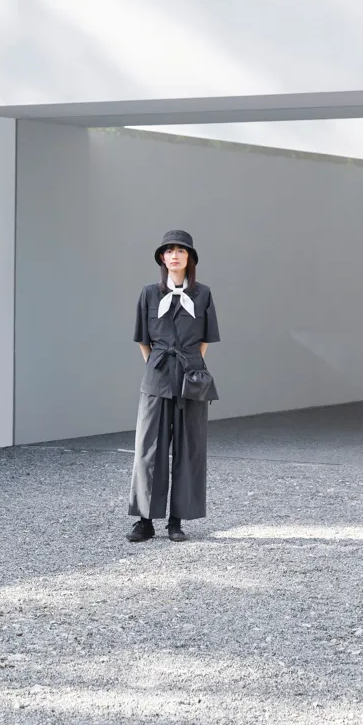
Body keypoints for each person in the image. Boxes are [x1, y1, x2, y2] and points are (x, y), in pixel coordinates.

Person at [127, 230, 220, 542]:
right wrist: (157, 365)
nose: (175, 255)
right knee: (148, 448)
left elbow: (206, 338)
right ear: (162, 258)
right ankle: (144, 521)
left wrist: (189, 363)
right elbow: (143, 340)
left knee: (188, 447)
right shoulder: (149, 294)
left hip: (190, 378)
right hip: (157, 376)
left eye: (181, 250)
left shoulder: (203, 294)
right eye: (169, 251)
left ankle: (176, 520)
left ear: (189, 258)